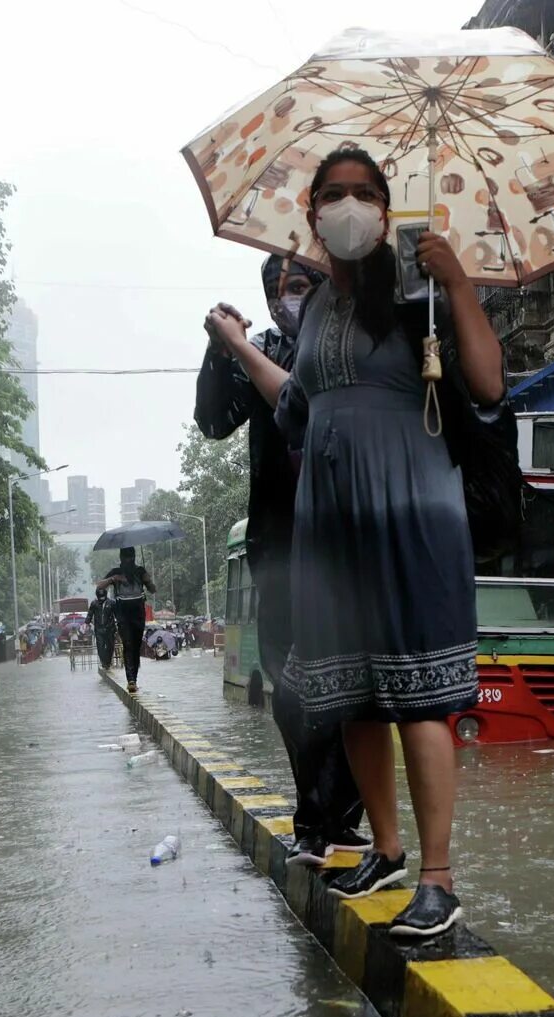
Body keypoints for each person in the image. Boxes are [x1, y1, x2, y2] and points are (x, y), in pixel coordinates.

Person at [204, 147, 505, 939]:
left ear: (385, 209)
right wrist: (242, 348)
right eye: (333, 195)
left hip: (411, 507)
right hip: (330, 518)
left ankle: (438, 878)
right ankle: (388, 846)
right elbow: (297, 406)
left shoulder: (415, 294)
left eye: (363, 194)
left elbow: (487, 384)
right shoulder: (314, 314)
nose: (349, 207)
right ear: (312, 216)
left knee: (420, 695)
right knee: (354, 696)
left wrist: (460, 285)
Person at [197, 252, 368, 868]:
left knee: (347, 689)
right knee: (290, 692)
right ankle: (314, 818)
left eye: (298, 286)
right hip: (279, 548)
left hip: (341, 546)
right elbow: (214, 420)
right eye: (276, 291)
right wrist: (221, 351)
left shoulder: (351, 343)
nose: (285, 300)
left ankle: (343, 821)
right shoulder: (259, 348)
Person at [97, 547, 156, 692]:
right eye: (125, 557)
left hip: (138, 612)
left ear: (134, 557)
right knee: (128, 643)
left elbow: (153, 589)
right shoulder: (116, 572)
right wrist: (113, 579)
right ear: (121, 558)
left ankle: (133, 678)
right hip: (122, 613)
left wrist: (148, 581)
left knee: (135, 646)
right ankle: (131, 679)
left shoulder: (140, 571)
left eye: (130, 557)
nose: (128, 560)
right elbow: (99, 586)